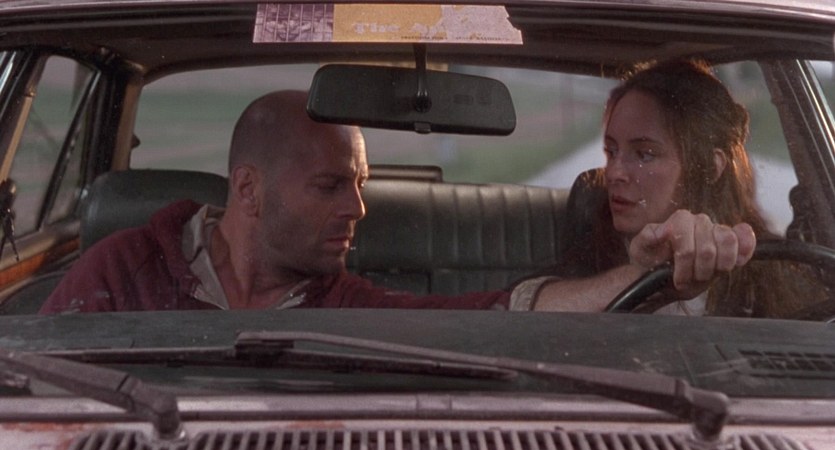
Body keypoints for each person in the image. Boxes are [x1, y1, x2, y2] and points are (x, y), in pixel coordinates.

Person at [39, 87, 755, 314]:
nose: (359, 209)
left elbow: (498, 315)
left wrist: (641, 274)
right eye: (331, 186)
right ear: (248, 189)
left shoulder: (344, 306)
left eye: (360, 183)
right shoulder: (121, 271)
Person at [516, 59, 823, 318]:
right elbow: (517, 309)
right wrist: (642, 273)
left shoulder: (766, 267)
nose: (614, 173)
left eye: (644, 154)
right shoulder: (593, 246)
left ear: (709, 167)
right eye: (611, 151)